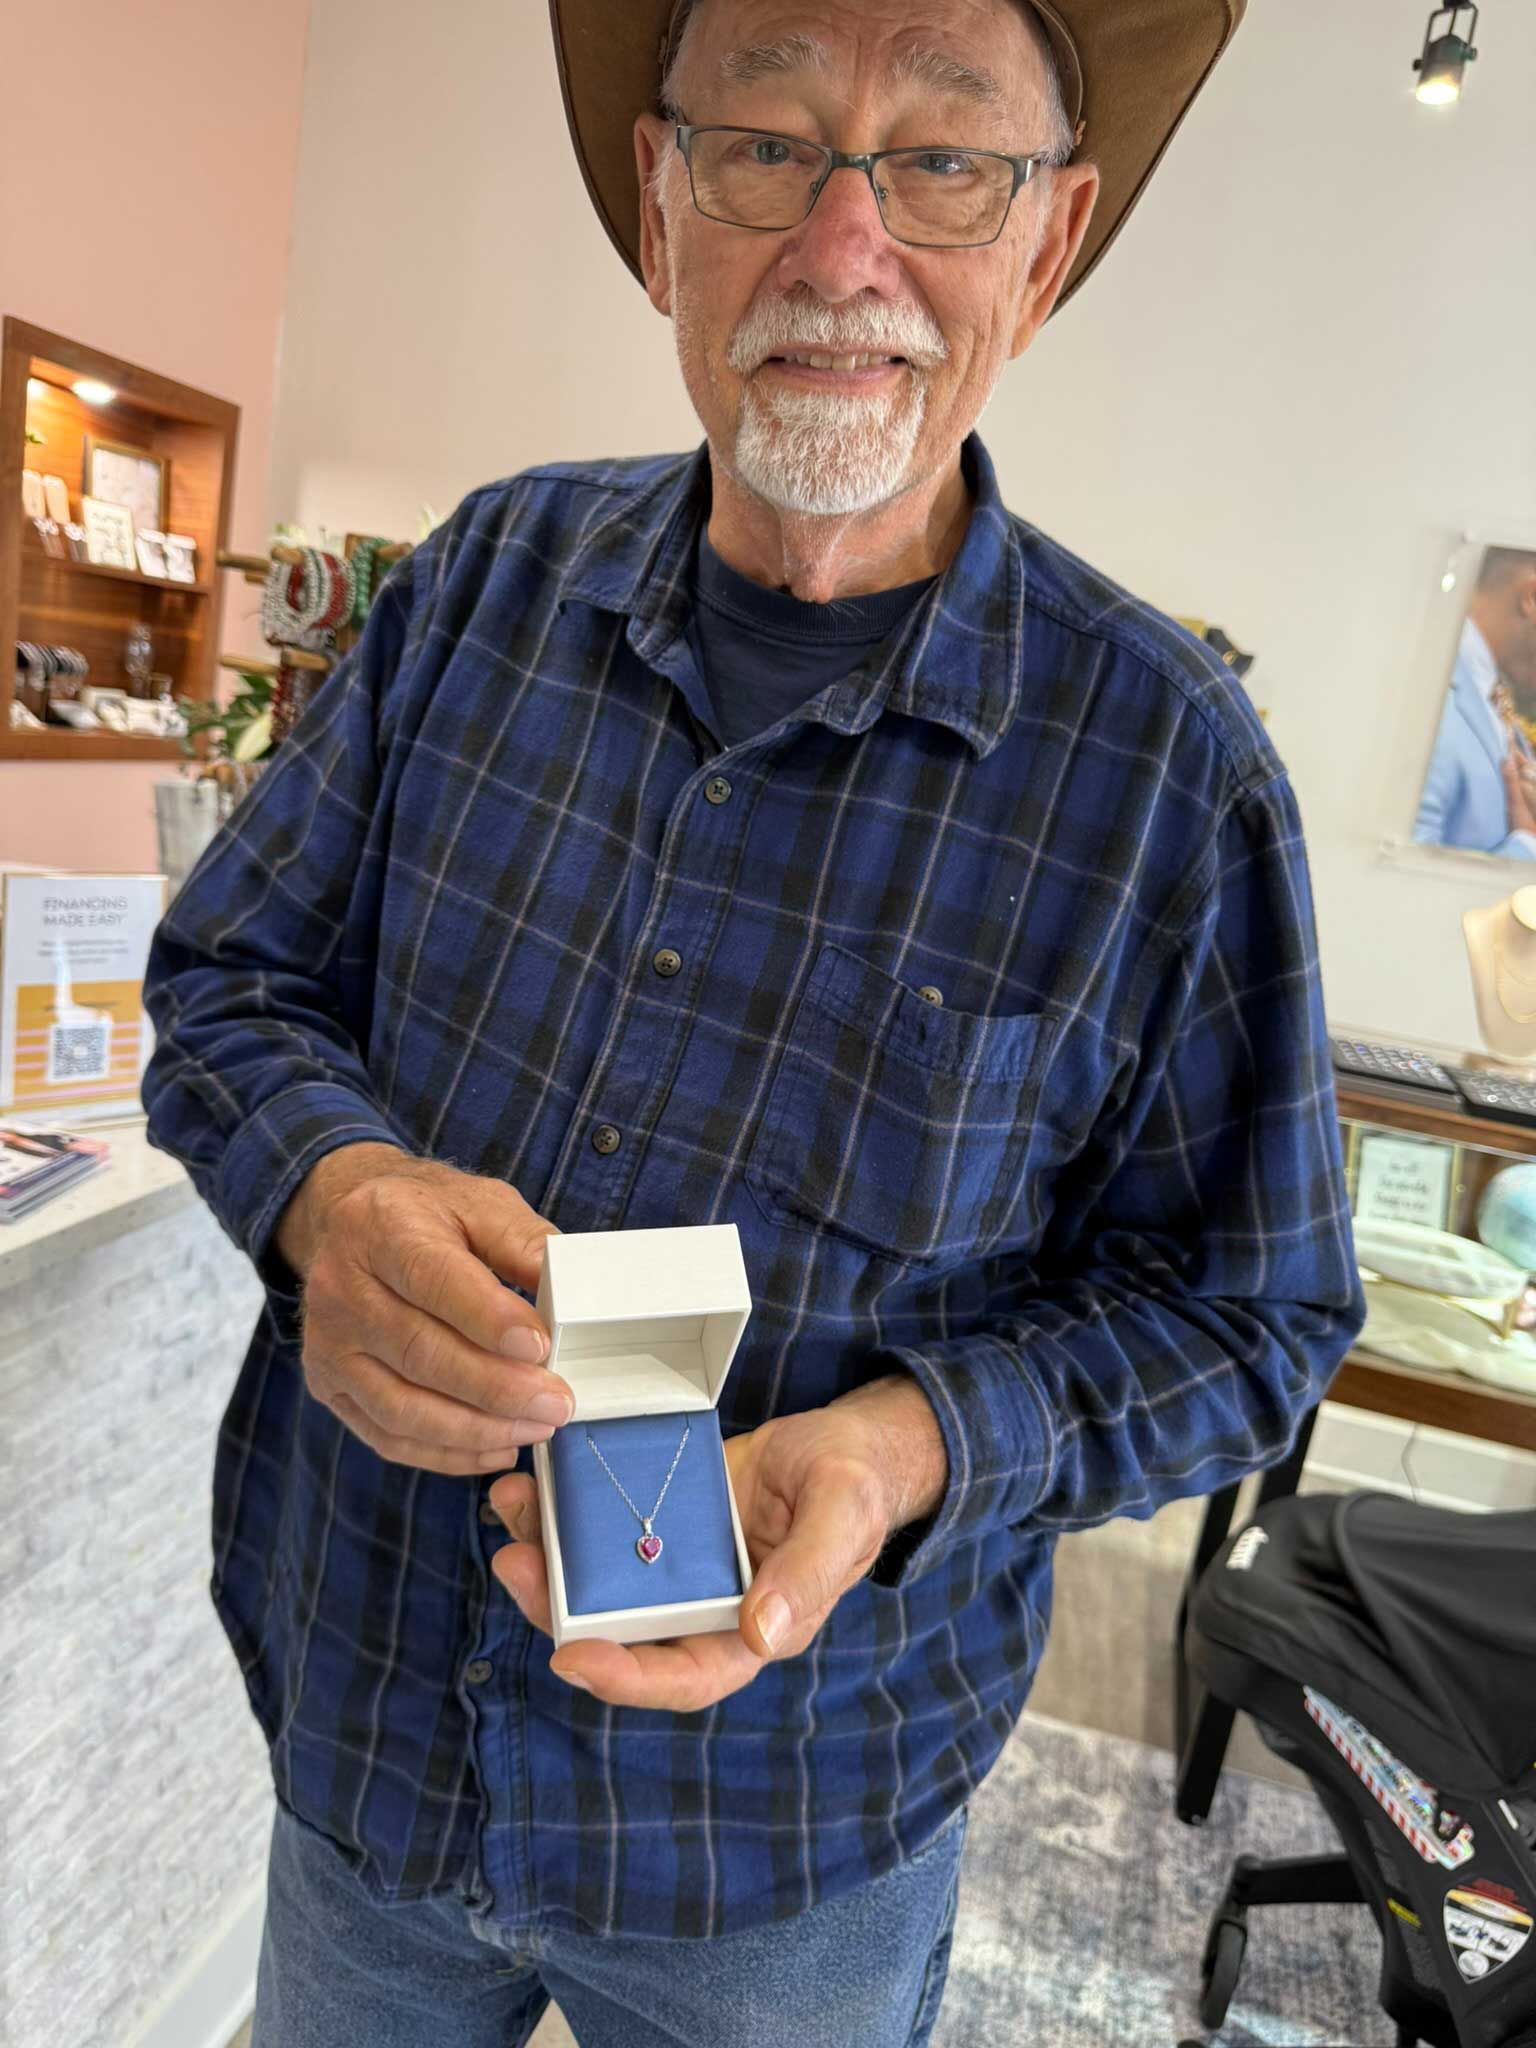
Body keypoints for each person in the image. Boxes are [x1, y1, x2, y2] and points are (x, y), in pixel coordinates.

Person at [139, 2, 1365, 2042]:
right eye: (767, 145)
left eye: (942, 161)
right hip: (358, 1746)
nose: (842, 247)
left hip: (782, 1847)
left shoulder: (1169, 771)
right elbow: (231, 977)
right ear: (659, 205)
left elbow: (1256, 1313)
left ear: (1045, 247)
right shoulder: (480, 588)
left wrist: (907, 1447)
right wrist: (328, 1191)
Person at [1413, 546, 1536, 857]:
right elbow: (1401, 869)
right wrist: (1527, 847)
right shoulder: (1428, 694)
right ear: (1531, 597)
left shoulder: (1491, 692)